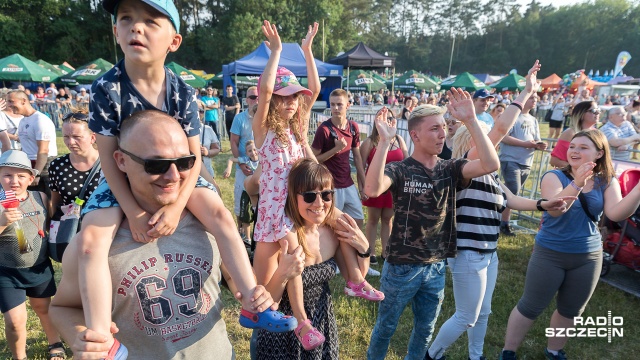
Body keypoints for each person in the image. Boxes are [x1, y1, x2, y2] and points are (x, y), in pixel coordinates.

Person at [50, 2, 289, 358]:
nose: (136, 28)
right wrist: (130, 210)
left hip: (183, 175)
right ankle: (102, 339)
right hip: (120, 179)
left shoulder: (181, 90)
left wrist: (177, 208)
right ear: (115, 31)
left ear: (173, 40)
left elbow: (191, 160)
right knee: (89, 243)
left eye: (150, 21)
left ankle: (253, 299)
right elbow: (109, 159)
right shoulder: (106, 87)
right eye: (126, 20)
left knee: (222, 217)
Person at [49, 112, 270, 359]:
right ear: (121, 161)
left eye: (185, 162)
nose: (174, 176)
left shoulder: (207, 222)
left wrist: (253, 293)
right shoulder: (94, 242)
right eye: (156, 164)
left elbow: (231, 277)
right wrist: (81, 338)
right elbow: (62, 307)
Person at [425, 62, 570, 360]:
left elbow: (512, 201)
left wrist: (544, 204)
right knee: (466, 315)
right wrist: (526, 92)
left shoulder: (490, 176)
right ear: (474, 141)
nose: (499, 145)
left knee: (484, 311)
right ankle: (431, 355)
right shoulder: (465, 165)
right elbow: (501, 129)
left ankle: (475, 356)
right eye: (493, 141)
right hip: (468, 253)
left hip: (489, 252)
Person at [364, 89, 500, 360]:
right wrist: (383, 143)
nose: (443, 134)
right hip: (401, 267)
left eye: (443, 128)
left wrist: (472, 121)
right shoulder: (400, 169)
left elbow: (490, 163)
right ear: (415, 135)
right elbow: (372, 187)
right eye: (434, 129)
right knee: (385, 328)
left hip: (436, 266)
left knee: (425, 330)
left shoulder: (449, 168)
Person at [499, 129, 640, 360]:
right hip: (550, 254)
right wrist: (578, 182)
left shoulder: (606, 180)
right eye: (573, 146)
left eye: (583, 147)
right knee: (531, 306)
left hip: (588, 256)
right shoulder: (553, 177)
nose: (575, 151)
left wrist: (638, 189)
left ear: (599, 153)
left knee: (571, 309)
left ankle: (553, 350)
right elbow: (555, 211)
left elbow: (616, 213)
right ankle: (508, 351)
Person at [252, 20, 340, 351]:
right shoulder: (265, 132)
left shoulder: (295, 132)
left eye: (294, 99)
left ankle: (302, 322)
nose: (291, 104)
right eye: (284, 98)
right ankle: (289, 323)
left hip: (288, 211)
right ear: (273, 99)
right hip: (270, 211)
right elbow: (262, 93)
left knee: (294, 258)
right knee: (263, 286)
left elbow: (315, 91)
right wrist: (275, 52)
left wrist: (307, 52)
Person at [255, 158, 372, 359]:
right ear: (293, 196)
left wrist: (364, 248)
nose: (319, 204)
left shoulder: (331, 231)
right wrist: (283, 274)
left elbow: (356, 277)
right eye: (309, 196)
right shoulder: (276, 240)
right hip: (281, 332)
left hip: (321, 319)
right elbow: (261, 307)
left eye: (326, 195)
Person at [0, 150, 65, 360]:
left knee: (43, 308)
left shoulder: (40, 197)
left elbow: (49, 224)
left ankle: (55, 342)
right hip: (8, 272)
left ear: (31, 178)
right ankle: (20, 357)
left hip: (38, 266)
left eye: (20, 176)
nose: (14, 181)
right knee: (15, 321)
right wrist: (2, 221)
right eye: (7, 175)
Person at [48, 109, 101, 258]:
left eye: (77, 137)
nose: (70, 142)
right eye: (66, 137)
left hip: (103, 233)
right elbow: (56, 203)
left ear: (93, 137)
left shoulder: (109, 163)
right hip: (72, 234)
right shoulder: (57, 165)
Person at [360, 109, 408, 263]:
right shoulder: (369, 142)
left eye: (391, 117)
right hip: (375, 186)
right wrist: (362, 188)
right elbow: (360, 167)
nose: (387, 120)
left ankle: (387, 251)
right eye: (384, 117)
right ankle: (371, 251)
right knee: (373, 219)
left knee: (388, 219)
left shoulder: (400, 140)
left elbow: (406, 162)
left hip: (394, 187)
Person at [498, 93, 547, 235]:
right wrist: (525, 144)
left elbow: (536, 139)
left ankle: (500, 218)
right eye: (532, 98)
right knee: (513, 192)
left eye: (536, 99)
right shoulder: (513, 116)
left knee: (513, 192)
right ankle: (504, 223)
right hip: (510, 159)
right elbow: (504, 137)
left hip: (527, 162)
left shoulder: (533, 119)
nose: (535, 101)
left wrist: (539, 144)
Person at [8, 90, 56, 194]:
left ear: (24, 101)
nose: (9, 105)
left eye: (11, 101)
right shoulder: (23, 120)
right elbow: (25, 145)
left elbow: (44, 149)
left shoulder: (40, 120)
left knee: (45, 200)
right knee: (30, 198)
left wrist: (37, 173)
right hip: (28, 164)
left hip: (43, 166)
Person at [230, 87, 258, 242]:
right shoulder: (239, 118)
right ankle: (240, 233)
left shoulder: (266, 117)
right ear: (246, 100)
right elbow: (233, 142)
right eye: (252, 97)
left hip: (261, 167)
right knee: (240, 201)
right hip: (243, 167)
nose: (256, 100)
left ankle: (256, 235)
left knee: (259, 201)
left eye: (258, 97)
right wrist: (241, 163)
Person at [549, 101, 600, 168]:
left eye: (598, 110)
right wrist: (576, 169)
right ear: (581, 114)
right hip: (571, 177)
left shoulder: (597, 133)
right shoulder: (570, 133)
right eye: (593, 110)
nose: (597, 113)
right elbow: (554, 161)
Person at [198, 108, 220, 179]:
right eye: (196, 110)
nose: (198, 113)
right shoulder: (182, 129)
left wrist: (207, 152)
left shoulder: (208, 129)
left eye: (201, 111)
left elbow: (216, 149)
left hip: (207, 172)